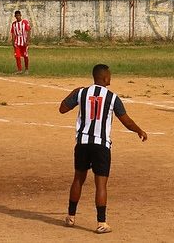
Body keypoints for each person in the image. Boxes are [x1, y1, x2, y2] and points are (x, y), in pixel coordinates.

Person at [59, 64, 147, 234]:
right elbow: (126, 121)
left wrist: (74, 93)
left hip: (83, 143)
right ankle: (101, 222)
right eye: (110, 76)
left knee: (78, 179)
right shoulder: (112, 98)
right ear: (105, 78)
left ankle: (70, 217)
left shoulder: (81, 92)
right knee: (101, 184)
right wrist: (139, 130)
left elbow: (62, 109)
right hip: (101, 145)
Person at [10, 10, 31, 75]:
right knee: (17, 56)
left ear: (20, 15)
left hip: (24, 41)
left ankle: (26, 69)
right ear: (15, 16)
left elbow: (28, 31)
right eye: (16, 16)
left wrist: (27, 41)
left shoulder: (25, 22)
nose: (18, 17)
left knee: (25, 55)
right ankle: (19, 70)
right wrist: (13, 42)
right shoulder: (14, 24)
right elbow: (13, 33)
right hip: (17, 42)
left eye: (19, 15)